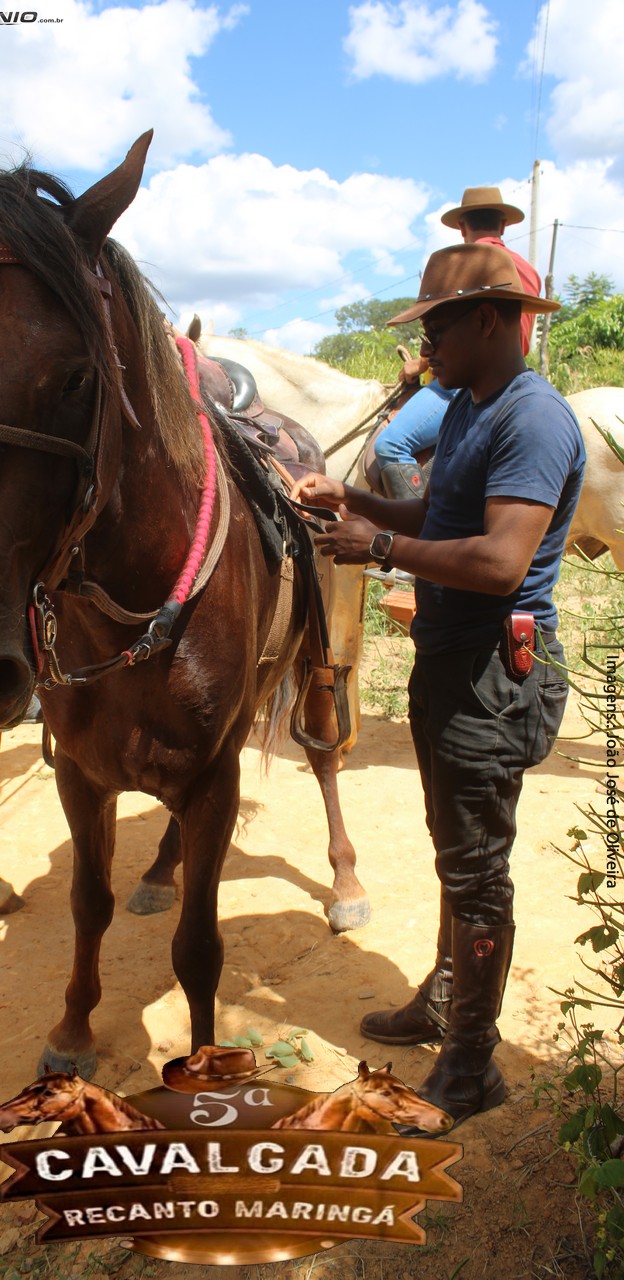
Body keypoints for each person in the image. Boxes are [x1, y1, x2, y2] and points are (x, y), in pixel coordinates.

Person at [290, 242, 585, 1129]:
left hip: (493, 671)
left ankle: (470, 1066)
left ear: (489, 320)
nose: (425, 351)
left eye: (437, 331)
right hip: (454, 660)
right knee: (458, 853)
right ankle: (447, 1002)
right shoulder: (468, 408)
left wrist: (379, 550)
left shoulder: (533, 419)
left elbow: (499, 561)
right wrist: (355, 506)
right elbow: (442, 513)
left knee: (478, 868)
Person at [375, 186, 542, 500]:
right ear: (503, 224)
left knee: (390, 445)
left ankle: (417, 525)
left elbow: (460, 340)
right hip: (515, 373)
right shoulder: (528, 271)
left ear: (462, 226)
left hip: (467, 382)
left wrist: (419, 364)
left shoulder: (462, 267)